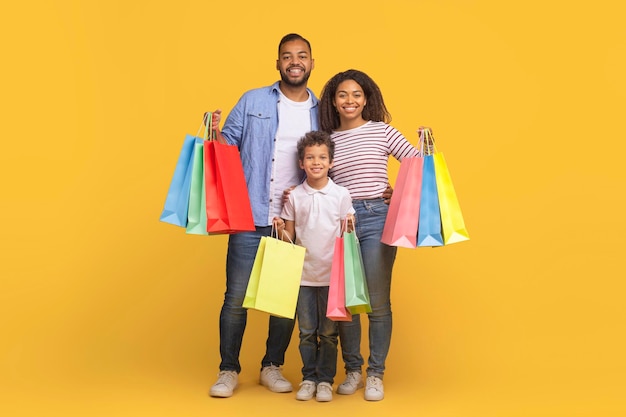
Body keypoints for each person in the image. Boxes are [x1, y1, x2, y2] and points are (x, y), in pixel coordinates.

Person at [207, 33, 318, 398]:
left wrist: (379, 187)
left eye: (302, 56)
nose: (294, 61)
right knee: (235, 297)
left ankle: (272, 365)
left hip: (291, 221)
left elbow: (333, 163)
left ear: (311, 63)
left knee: (282, 300)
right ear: (278, 63)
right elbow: (226, 148)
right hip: (250, 215)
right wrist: (212, 132)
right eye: (287, 56)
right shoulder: (253, 100)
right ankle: (228, 369)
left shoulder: (322, 112)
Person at [318, 69, 425, 401]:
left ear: (367, 99)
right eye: (342, 95)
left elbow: (416, 165)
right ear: (333, 102)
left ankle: (375, 374)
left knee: (377, 301)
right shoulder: (327, 138)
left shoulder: (381, 131)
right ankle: (353, 370)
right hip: (342, 223)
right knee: (349, 299)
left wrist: (401, 189)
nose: (350, 101)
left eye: (357, 95)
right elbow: (318, 176)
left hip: (378, 217)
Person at [274, 131, 355, 402]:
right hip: (303, 277)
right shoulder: (295, 196)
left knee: (329, 333)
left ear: (331, 162)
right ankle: (309, 377)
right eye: (310, 157)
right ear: (301, 163)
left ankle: (325, 380)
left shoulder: (341, 194)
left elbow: (348, 235)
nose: (316, 162)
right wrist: (280, 229)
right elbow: (291, 237)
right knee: (307, 331)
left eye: (322, 157)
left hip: (333, 277)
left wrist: (351, 225)